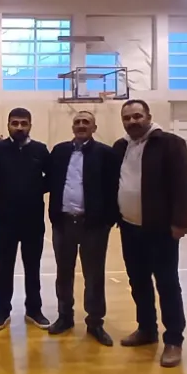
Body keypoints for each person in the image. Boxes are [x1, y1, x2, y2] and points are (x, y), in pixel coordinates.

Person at [113, 99, 187, 368]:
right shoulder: (121, 146)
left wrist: (180, 222)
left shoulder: (170, 144)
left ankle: (174, 340)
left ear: (148, 116)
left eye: (137, 116)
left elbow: (184, 185)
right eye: (127, 118)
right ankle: (147, 329)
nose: (132, 121)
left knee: (167, 283)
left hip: (160, 229)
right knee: (138, 282)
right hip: (129, 227)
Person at [46, 111, 119, 345]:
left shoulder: (105, 154)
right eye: (77, 122)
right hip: (63, 223)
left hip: (93, 226)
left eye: (86, 122)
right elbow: (49, 181)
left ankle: (95, 322)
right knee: (63, 274)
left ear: (94, 128)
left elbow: (114, 188)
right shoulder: (59, 151)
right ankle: (64, 317)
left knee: (94, 275)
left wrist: (108, 220)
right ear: (72, 127)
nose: (81, 125)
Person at [0, 108, 51, 330]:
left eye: (24, 123)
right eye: (15, 123)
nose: (19, 127)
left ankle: (34, 309)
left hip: (33, 219)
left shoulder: (40, 150)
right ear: (8, 125)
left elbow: (52, 177)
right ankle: (2, 310)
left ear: (30, 125)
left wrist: (34, 189)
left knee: (33, 266)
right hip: (6, 219)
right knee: (4, 266)